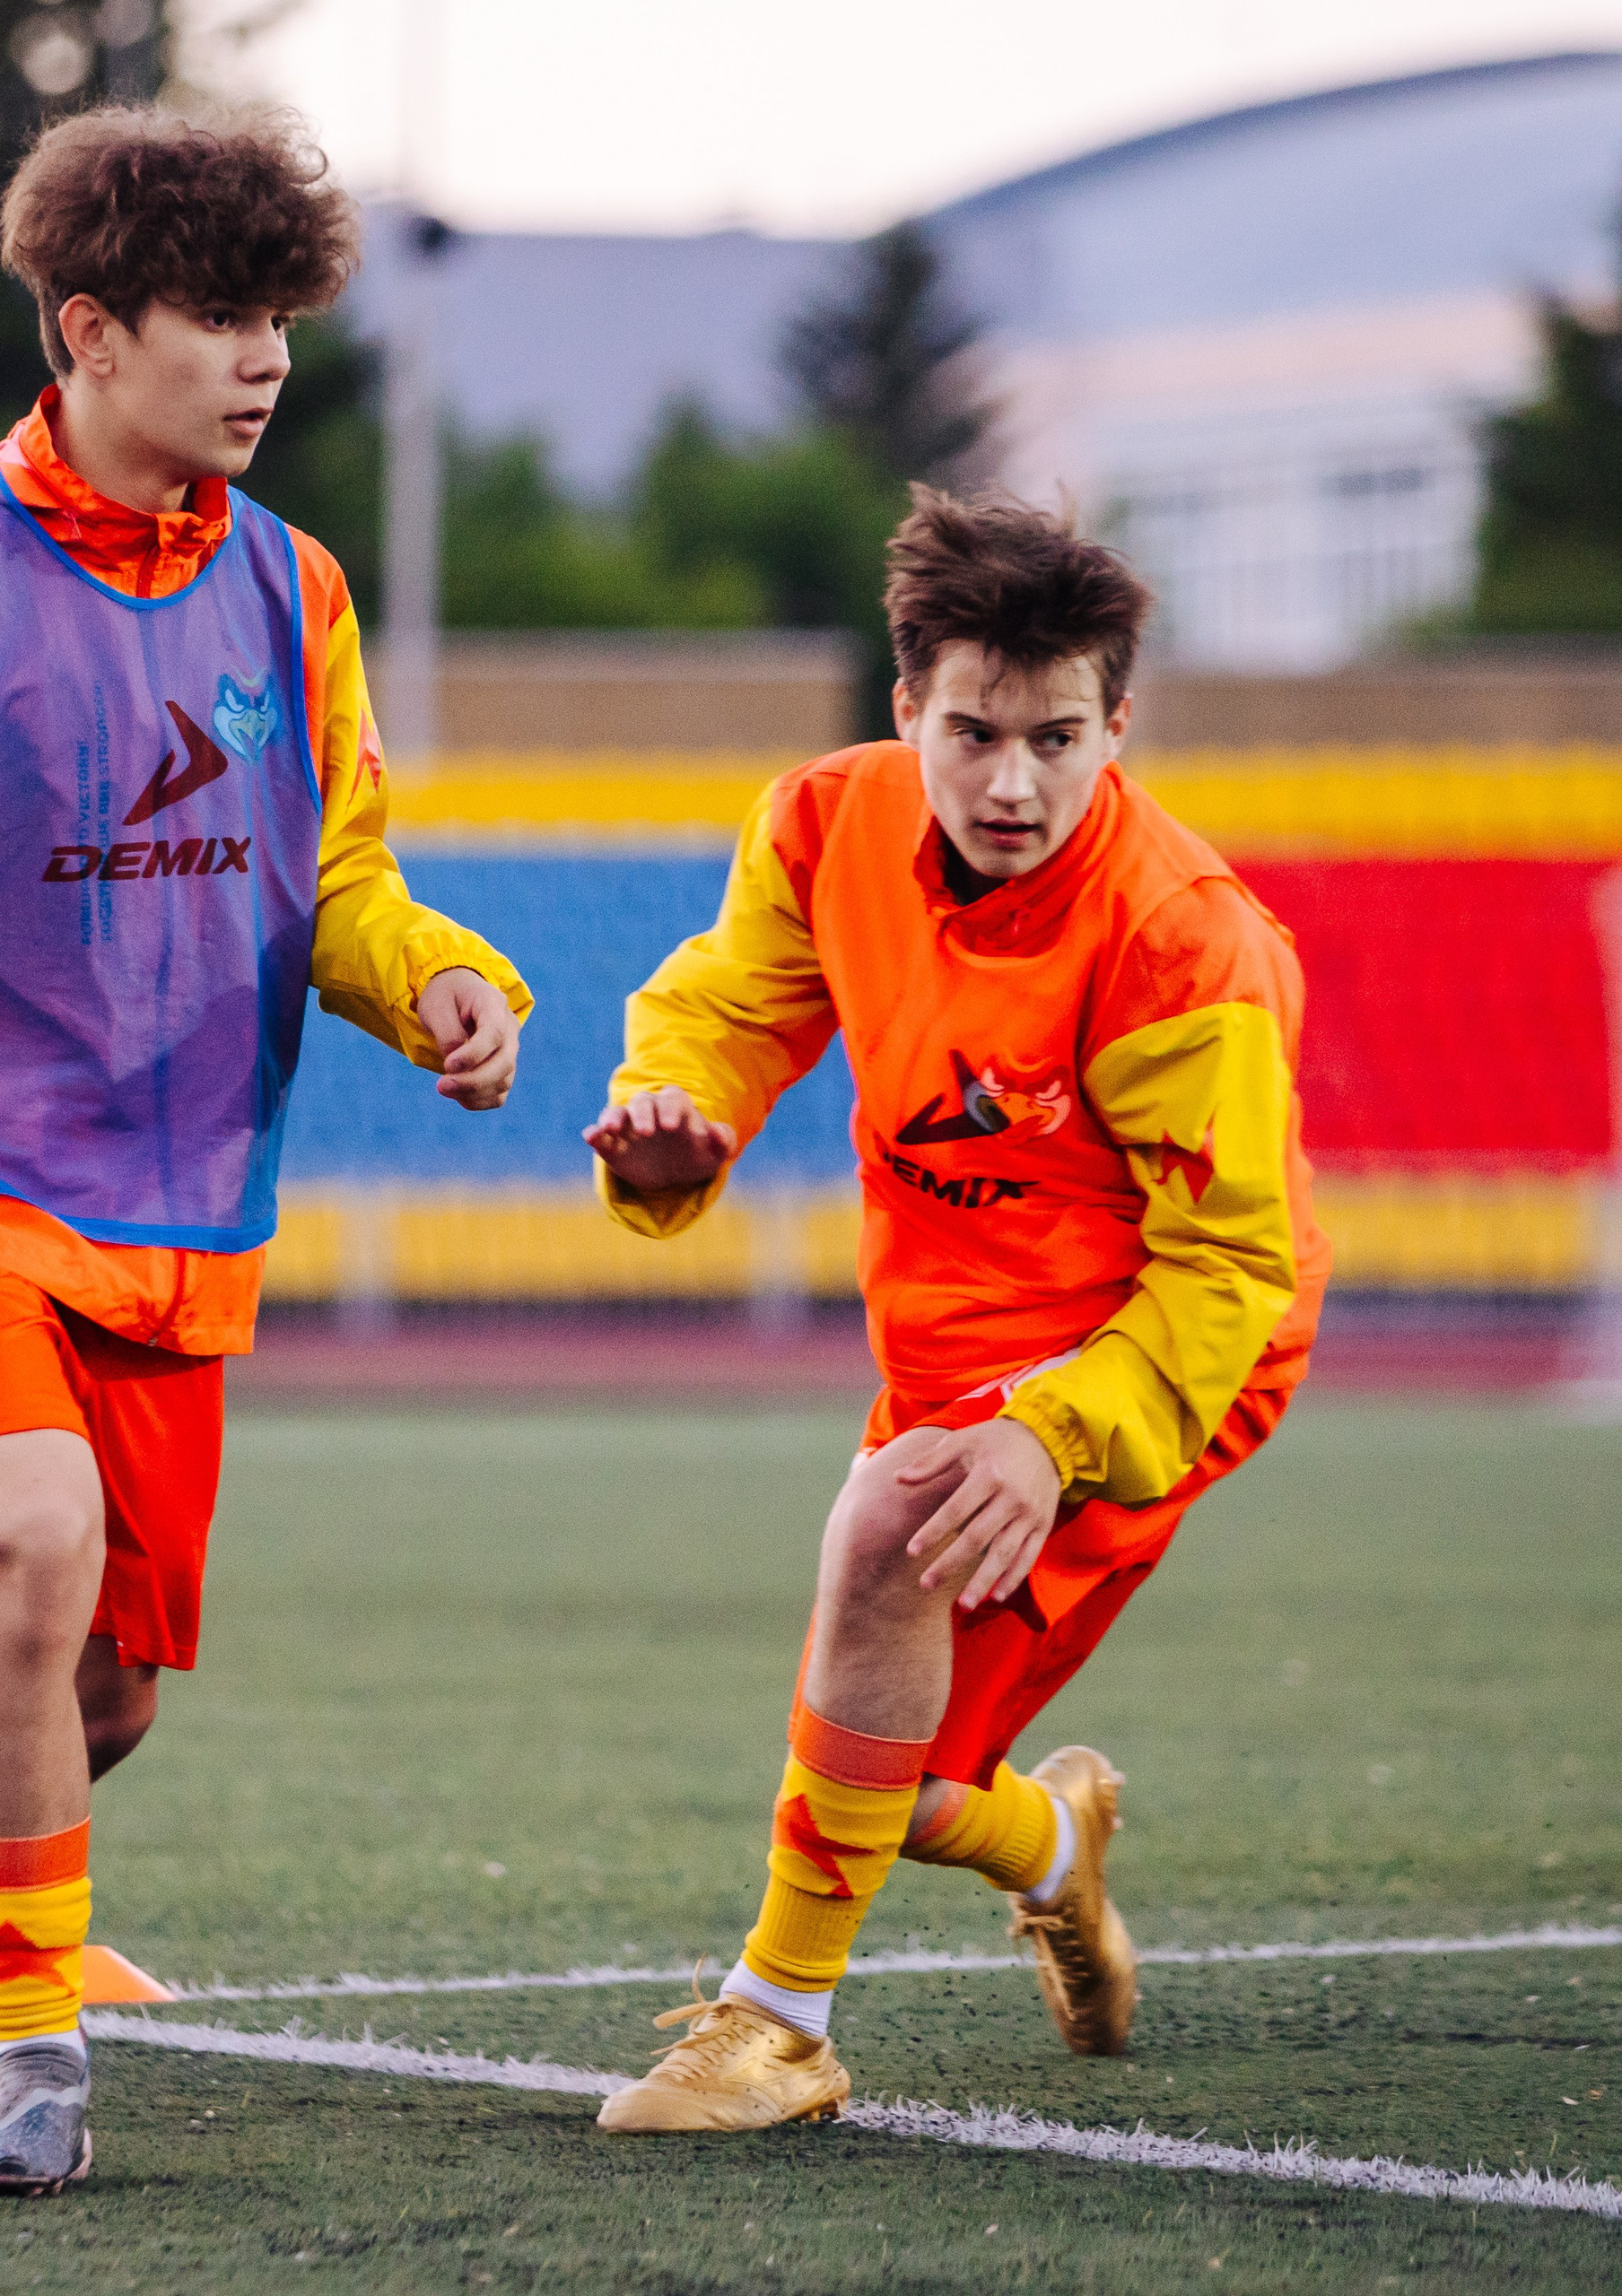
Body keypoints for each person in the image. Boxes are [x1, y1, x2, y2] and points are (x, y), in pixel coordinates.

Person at [0, 107, 529, 2195]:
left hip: (177, 1223)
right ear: (86, 329)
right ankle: (33, 2066)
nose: (268, 364)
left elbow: (333, 883)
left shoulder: (294, 587)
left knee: (103, 1689)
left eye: (282, 322)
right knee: (29, 1543)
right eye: (223, 319)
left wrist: (427, 980)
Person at [582, 488, 1327, 2132]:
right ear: (905, 705)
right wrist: (671, 1119)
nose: (1014, 782)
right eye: (975, 732)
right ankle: (1058, 1850)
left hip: (1166, 1347)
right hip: (954, 1352)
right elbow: (724, 1010)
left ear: (1118, 725)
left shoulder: (1180, 940)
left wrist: (1059, 1435)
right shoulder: (820, 826)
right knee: (903, 1780)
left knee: (880, 1536)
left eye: (1061, 739)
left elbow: (1228, 1271)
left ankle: (775, 2031)